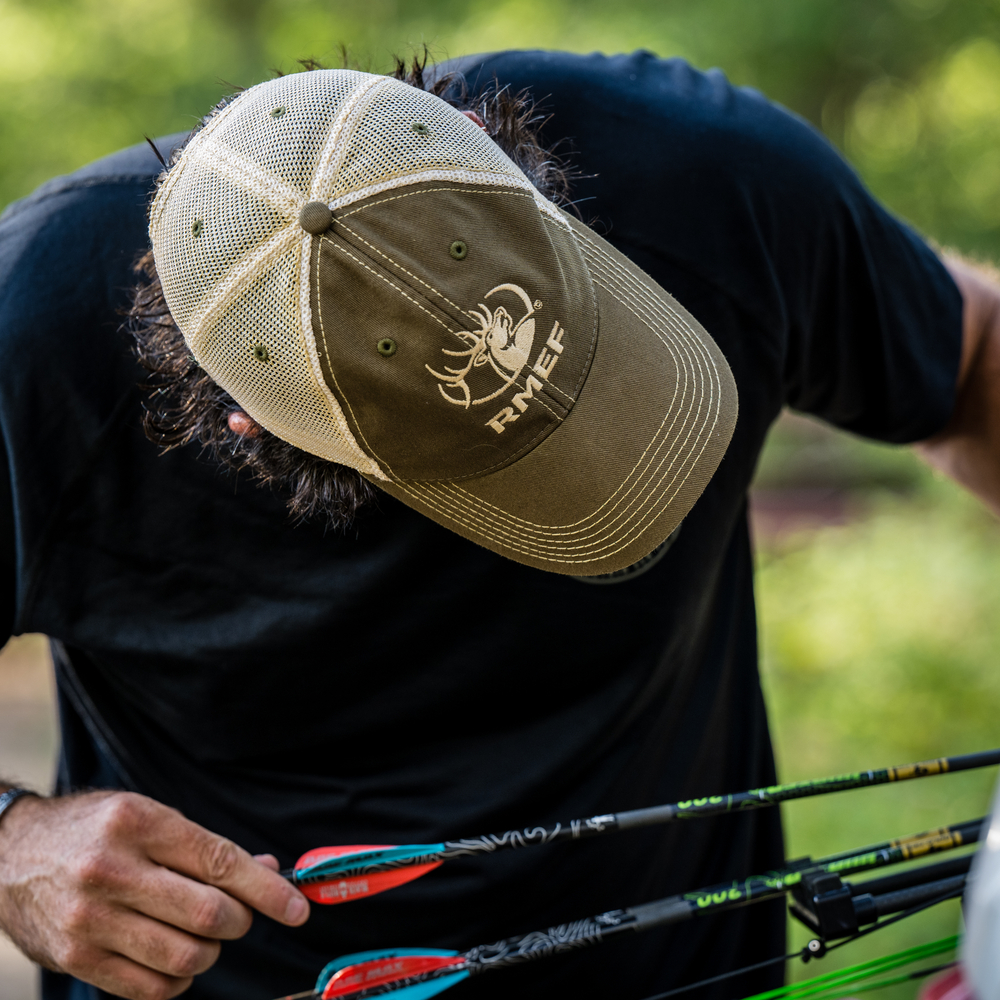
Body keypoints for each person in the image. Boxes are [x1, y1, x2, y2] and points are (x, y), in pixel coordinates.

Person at [0, 49, 996, 1000]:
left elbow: (970, 356)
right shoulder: (29, 349)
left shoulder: (699, 170)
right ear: (253, 421)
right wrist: (16, 845)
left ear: (497, 149)